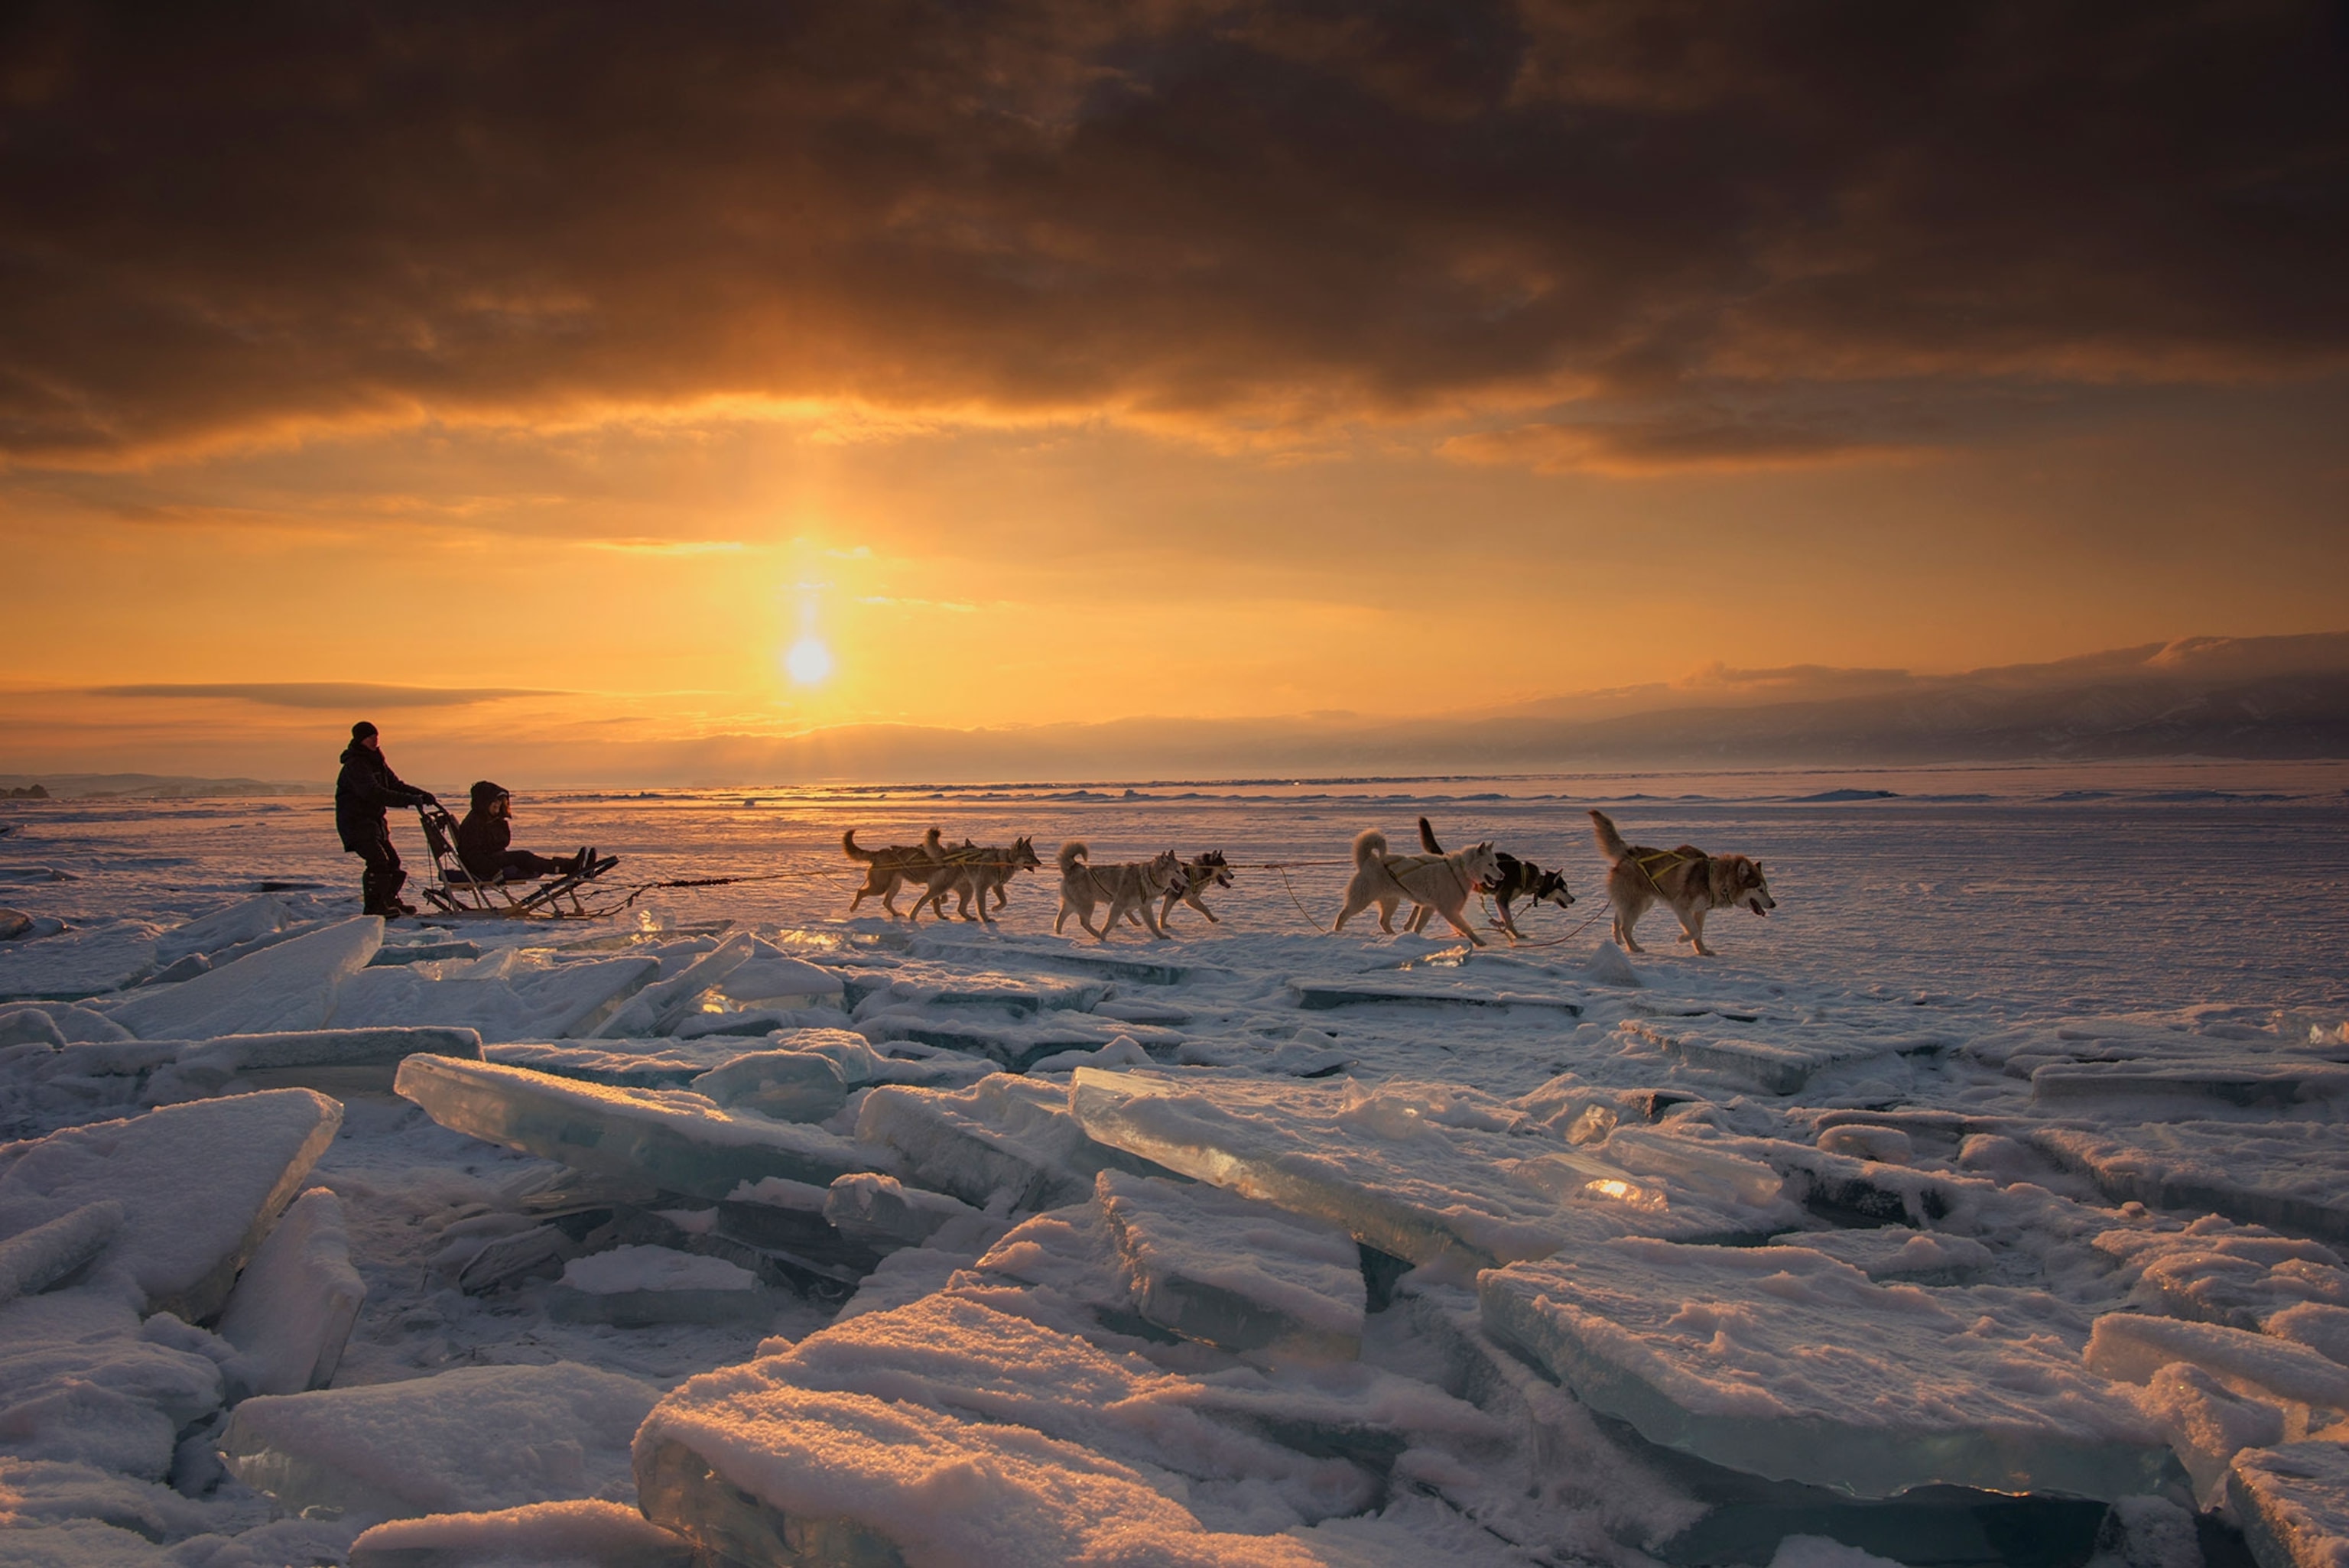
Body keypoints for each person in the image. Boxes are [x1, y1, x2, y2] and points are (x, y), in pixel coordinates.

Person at [335, 722, 436, 917]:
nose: (375, 739)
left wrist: (421, 795)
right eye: (369, 736)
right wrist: (409, 800)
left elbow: (395, 785)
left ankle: (388, 900)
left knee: (393, 862)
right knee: (378, 862)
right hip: (356, 822)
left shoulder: (376, 761)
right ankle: (373, 908)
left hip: (374, 823)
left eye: (376, 735)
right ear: (359, 739)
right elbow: (373, 792)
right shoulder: (356, 764)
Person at [455, 781, 599, 884]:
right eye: (495, 802)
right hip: (484, 866)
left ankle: (573, 866)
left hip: (495, 859)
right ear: (484, 803)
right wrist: (492, 871)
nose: (498, 805)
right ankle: (571, 867)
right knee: (524, 857)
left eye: (500, 801)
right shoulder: (473, 823)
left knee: (528, 860)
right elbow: (472, 854)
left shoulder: (490, 820)